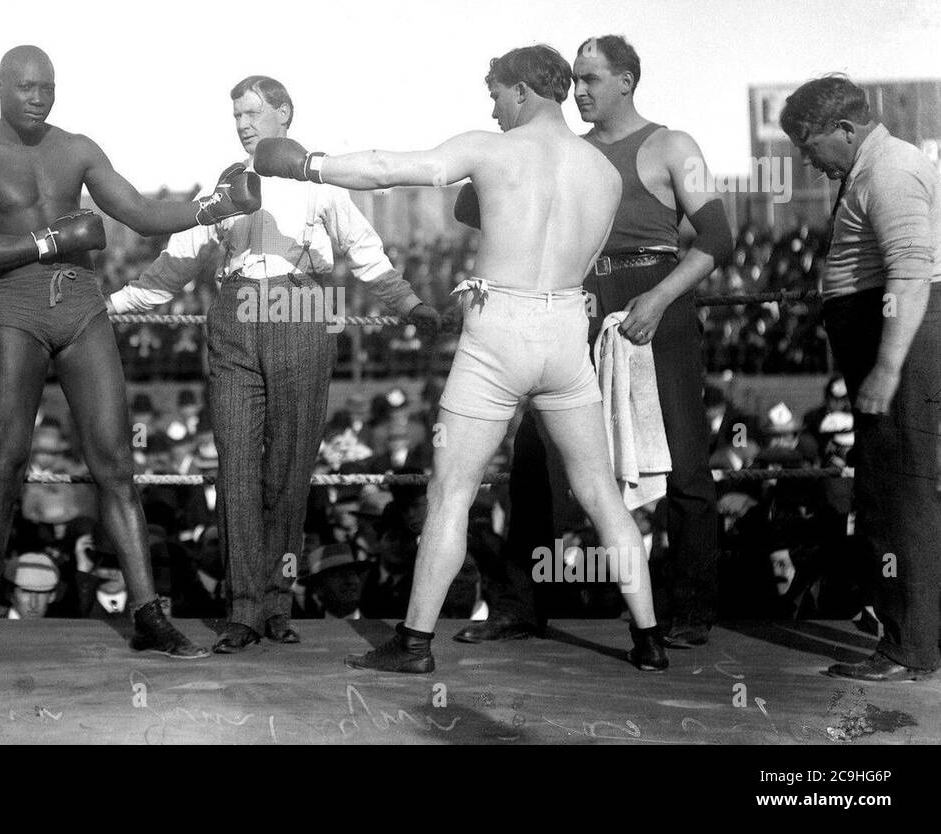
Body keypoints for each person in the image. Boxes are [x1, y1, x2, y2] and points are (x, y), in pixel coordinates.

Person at [255, 44, 665, 672]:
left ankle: (416, 644)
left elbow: (384, 168)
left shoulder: (490, 147)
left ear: (522, 91)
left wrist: (307, 164)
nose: (493, 107)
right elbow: (582, 257)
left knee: (451, 493)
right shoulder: (605, 171)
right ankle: (650, 640)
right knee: (601, 494)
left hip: (499, 329)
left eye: (496, 93)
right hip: (565, 331)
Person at [0, 45, 258, 659]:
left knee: (116, 464)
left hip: (82, 304)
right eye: (27, 87)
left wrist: (215, 206)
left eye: (48, 87)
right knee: (3, 464)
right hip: (17, 306)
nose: (38, 97)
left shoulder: (77, 148)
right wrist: (49, 239)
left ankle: (147, 614)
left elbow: (140, 214)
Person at [107, 75, 440, 652]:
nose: (242, 124)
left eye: (253, 113)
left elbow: (365, 252)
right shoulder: (226, 183)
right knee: (234, 464)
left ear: (284, 115)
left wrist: (409, 304)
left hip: (300, 306)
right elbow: (175, 263)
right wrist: (110, 305)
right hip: (234, 313)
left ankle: (278, 605)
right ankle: (241, 610)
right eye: (236, 114)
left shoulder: (320, 180)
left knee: (290, 466)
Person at [455, 35, 730, 649]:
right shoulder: (562, 151)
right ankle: (521, 607)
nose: (578, 91)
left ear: (628, 79)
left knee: (685, 459)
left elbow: (717, 238)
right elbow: (469, 207)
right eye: (574, 80)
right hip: (577, 301)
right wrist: (509, 147)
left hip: (656, 298)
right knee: (533, 456)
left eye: (592, 79)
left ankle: (689, 612)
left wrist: (658, 300)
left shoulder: (670, 145)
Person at [781, 75, 941, 681]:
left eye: (808, 143)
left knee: (899, 495)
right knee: (891, 491)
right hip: (884, 340)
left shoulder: (889, 172)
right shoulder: (868, 169)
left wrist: (887, 366)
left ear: (845, 130)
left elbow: (909, 275)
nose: (804, 157)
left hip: (896, 343)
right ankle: (919, 639)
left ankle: (908, 649)